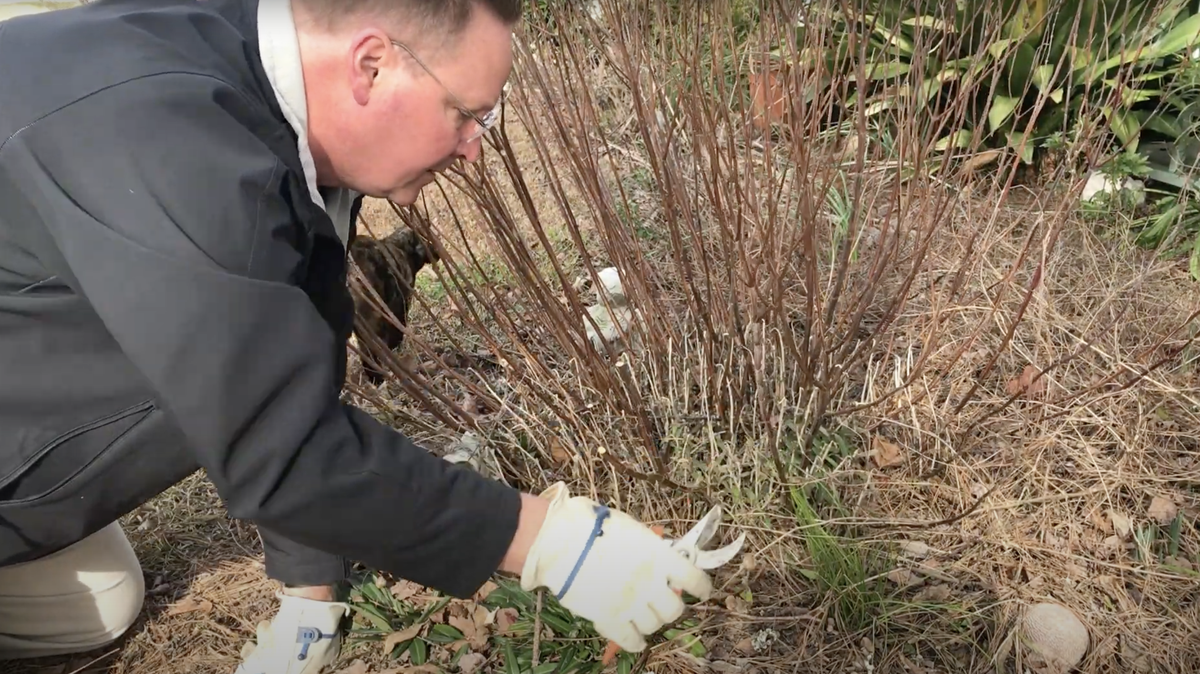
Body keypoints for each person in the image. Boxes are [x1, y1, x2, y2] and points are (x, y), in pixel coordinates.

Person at [0, 0, 715, 672]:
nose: (474, 150)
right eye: (468, 115)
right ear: (371, 65)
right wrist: (559, 545)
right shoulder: (165, 144)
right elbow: (274, 438)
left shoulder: (265, 79)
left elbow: (285, 346)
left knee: (93, 607)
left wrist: (309, 595)